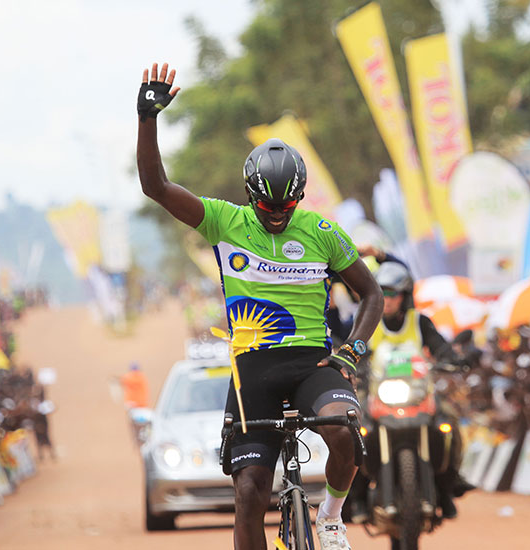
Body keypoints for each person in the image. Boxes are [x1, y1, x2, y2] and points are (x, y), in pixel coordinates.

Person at [137, 62, 383, 550]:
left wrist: (351, 351)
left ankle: (331, 517)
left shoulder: (322, 232)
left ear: (299, 198)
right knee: (249, 492)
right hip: (253, 370)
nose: (276, 216)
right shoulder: (224, 222)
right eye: (267, 208)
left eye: (286, 208)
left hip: (314, 360)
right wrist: (148, 120)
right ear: (251, 197)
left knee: (341, 430)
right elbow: (157, 188)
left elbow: (372, 294)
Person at [367, 261, 474, 519]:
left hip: (418, 394)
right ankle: (355, 494)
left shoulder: (420, 322)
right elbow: (354, 346)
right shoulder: (368, 320)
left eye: (392, 293)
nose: (387, 300)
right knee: (354, 431)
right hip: (376, 394)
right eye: (382, 293)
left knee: (448, 425)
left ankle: (449, 484)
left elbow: (440, 347)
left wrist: (453, 359)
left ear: (405, 297)